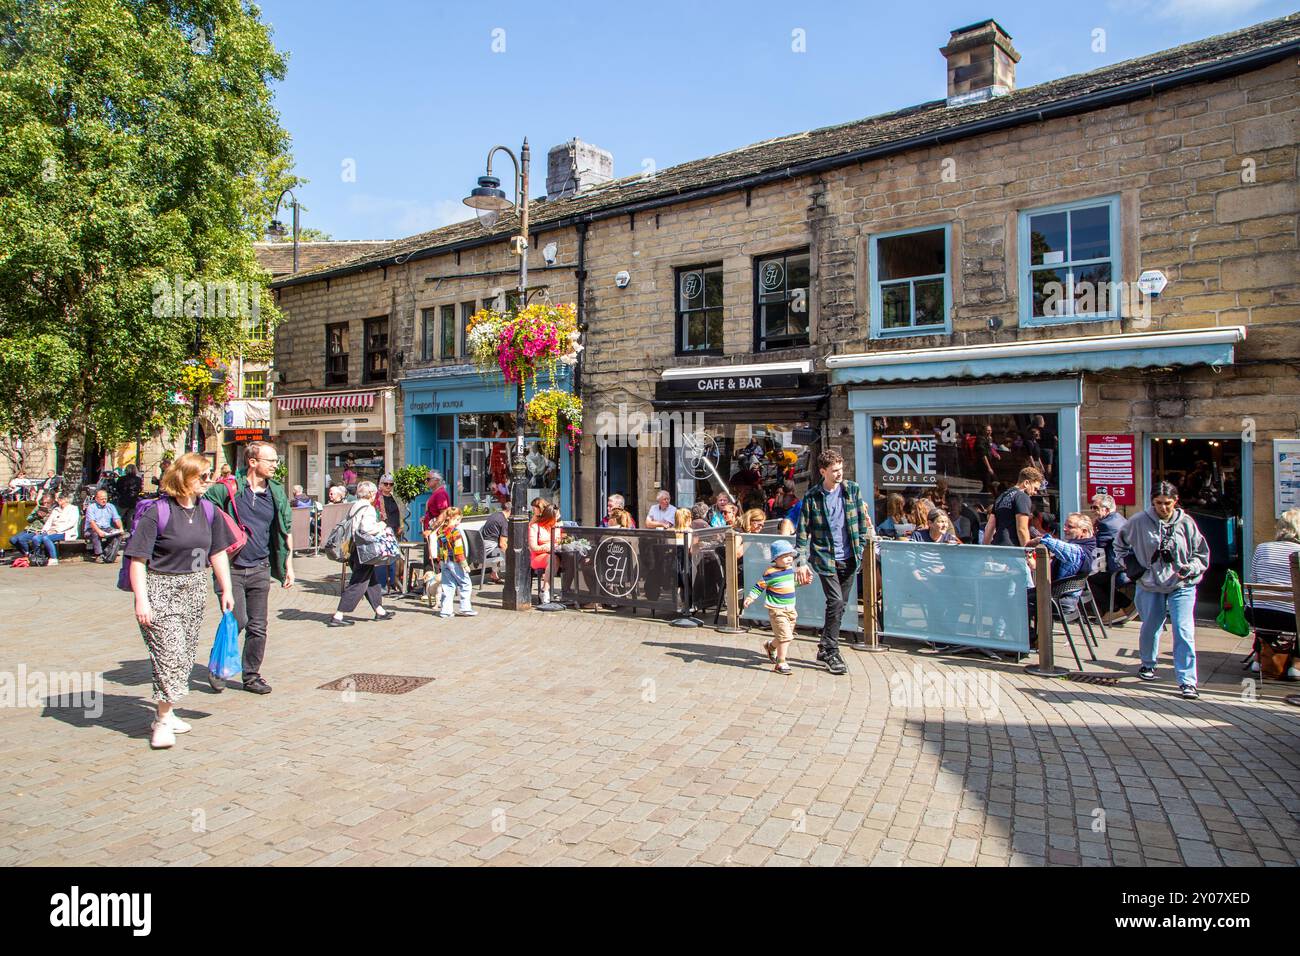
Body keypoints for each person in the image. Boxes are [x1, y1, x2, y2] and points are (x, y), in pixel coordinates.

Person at [124, 453, 236, 749]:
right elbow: (138, 560)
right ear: (184, 478)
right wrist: (142, 601)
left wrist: (226, 589)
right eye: (202, 476)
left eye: (209, 475)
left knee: (184, 655)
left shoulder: (208, 511)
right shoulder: (157, 512)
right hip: (161, 587)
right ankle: (161, 721)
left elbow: (218, 552)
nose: (208, 481)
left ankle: (168, 711)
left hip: (195, 586)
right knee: (170, 653)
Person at [203, 440, 296, 695]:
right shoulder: (230, 489)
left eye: (276, 461)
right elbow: (204, 511)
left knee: (259, 626)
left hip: (260, 567)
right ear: (253, 462)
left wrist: (288, 564)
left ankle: (251, 676)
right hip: (232, 568)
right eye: (271, 461)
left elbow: (285, 529)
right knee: (238, 619)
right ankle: (219, 664)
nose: (276, 465)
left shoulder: (276, 493)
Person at [1114, 482, 1210, 700]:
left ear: (1175, 501)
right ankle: (1148, 663)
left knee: (1183, 630)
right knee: (1151, 625)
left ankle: (1187, 681)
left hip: (1182, 584)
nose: (1163, 508)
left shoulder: (1186, 522)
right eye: (1159, 503)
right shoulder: (1138, 521)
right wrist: (1133, 568)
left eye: (1168, 503)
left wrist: (1191, 567)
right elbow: (1119, 546)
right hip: (1150, 583)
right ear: (1152, 502)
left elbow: (1201, 553)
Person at [795, 449, 876, 670]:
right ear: (823, 472)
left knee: (839, 606)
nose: (839, 474)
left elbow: (859, 520)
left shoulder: (852, 490)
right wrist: (800, 563)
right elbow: (802, 532)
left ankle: (825, 646)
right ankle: (832, 651)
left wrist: (860, 548)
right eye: (834, 471)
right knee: (836, 602)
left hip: (850, 557)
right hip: (825, 558)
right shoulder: (812, 496)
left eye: (841, 469)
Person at [330, 480, 396, 627]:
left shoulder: (355, 505)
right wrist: (382, 525)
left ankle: (380, 610)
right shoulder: (368, 508)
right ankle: (338, 615)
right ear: (372, 494)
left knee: (370, 580)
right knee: (358, 582)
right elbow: (368, 529)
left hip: (354, 548)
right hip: (364, 550)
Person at [1244, 509, 1300, 674]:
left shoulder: (1262, 548)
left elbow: (1254, 581)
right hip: (1292, 618)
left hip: (1257, 614)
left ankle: (1259, 659)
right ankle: (1296, 663)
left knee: (1267, 607)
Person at [743, 539, 804, 676]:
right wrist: (750, 597)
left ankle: (770, 646)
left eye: (790, 556)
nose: (789, 559)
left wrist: (802, 583)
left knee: (783, 636)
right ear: (776, 558)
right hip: (777, 609)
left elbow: (791, 585)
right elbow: (759, 586)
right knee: (786, 636)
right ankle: (781, 662)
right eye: (785, 556)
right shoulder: (770, 573)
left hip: (790, 609)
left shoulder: (790, 570)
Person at [1088, 494, 1135, 624]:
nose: (1092, 510)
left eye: (1095, 507)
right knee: (1099, 575)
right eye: (1091, 507)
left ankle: (1115, 610)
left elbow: (1096, 547)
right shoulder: (1118, 518)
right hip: (1126, 565)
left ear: (1107, 509)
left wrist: (1091, 530)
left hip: (1122, 569)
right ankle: (1126, 605)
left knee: (1089, 579)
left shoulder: (1106, 524)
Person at [10, 492, 78, 564]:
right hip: (50, 531)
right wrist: (44, 530)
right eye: (58, 499)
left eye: (60, 499)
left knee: (46, 538)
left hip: (65, 532)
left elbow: (71, 523)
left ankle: (53, 558)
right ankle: (38, 557)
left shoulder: (73, 509)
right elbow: (49, 522)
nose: (58, 500)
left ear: (66, 500)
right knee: (36, 538)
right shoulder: (56, 510)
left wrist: (56, 529)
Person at [433, 507, 476, 617]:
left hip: (444, 561)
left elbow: (440, 548)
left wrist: (439, 560)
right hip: (455, 562)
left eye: (459, 519)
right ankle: (465, 608)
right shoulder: (455, 532)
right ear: (451, 518)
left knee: (448, 586)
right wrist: (464, 565)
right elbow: (458, 550)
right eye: (457, 519)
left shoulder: (441, 531)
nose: (458, 522)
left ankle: (445, 611)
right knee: (465, 583)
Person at [984, 467, 1043, 548]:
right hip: (1012, 549)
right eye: (1035, 488)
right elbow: (1022, 529)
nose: (1035, 493)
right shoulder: (1022, 496)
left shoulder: (1001, 497)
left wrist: (985, 550)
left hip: (997, 549)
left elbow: (989, 526)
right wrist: (1028, 553)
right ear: (1026, 483)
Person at [373, 474, 403, 594]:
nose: (388, 486)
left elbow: (398, 513)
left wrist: (400, 525)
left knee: (392, 558)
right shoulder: (377, 498)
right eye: (386, 484)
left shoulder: (393, 497)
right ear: (380, 484)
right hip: (382, 531)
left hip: (393, 531)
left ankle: (392, 583)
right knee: (382, 558)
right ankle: (381, 584)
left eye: (391, 484)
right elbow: (376, 515)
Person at [529, 499, 560, 603]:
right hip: (538, 557)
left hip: (555, 554)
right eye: (555, 517)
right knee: (553, 559)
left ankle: (569, 592)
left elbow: (559, 541)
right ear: (549, 517)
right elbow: (533, 547)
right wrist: (548, 546)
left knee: (571, 560)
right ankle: (545, 591)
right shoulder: (535, 527)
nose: (557, 519)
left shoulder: (556, 527)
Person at [84, 488, 125, 563]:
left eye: (105, 499)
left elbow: (116, 519)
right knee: (95, 533)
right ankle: (98, 555)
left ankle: (108, 555)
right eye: (102, 499)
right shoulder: (91, 507)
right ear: (96, 499)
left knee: (118, 534)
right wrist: (99, 531)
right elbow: (92, 522)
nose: (104, 501)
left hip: (106, 528)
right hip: (92, 528)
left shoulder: (110, 506)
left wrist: (121, 528)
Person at [420, 471, 452, 562]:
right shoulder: (436, 493)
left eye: (428, 479)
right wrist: (425, 518)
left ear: (436, 480)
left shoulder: (440, 494)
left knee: (433, 562)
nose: (426, 481)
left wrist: (430, 529)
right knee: (430, 560)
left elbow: (444, 514)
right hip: (430, 531)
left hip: (435, 533)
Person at [479, 502, 510, 584]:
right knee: (508, 552)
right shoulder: (504, 522)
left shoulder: (494, 515)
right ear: (510, 511)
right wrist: (510, 557)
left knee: (499, 550)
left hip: (481, 546)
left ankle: (494, 574)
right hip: (488, 549)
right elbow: (502, 544)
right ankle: (512, 576)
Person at [116, 464, 143, 530]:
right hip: (133, 501)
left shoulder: (121, 479)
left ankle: (117, 531)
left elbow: (118, 489)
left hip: (123, 500)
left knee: (118, 517)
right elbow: (140, 489)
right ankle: (129, 532)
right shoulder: (139, 479)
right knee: (130, 518)